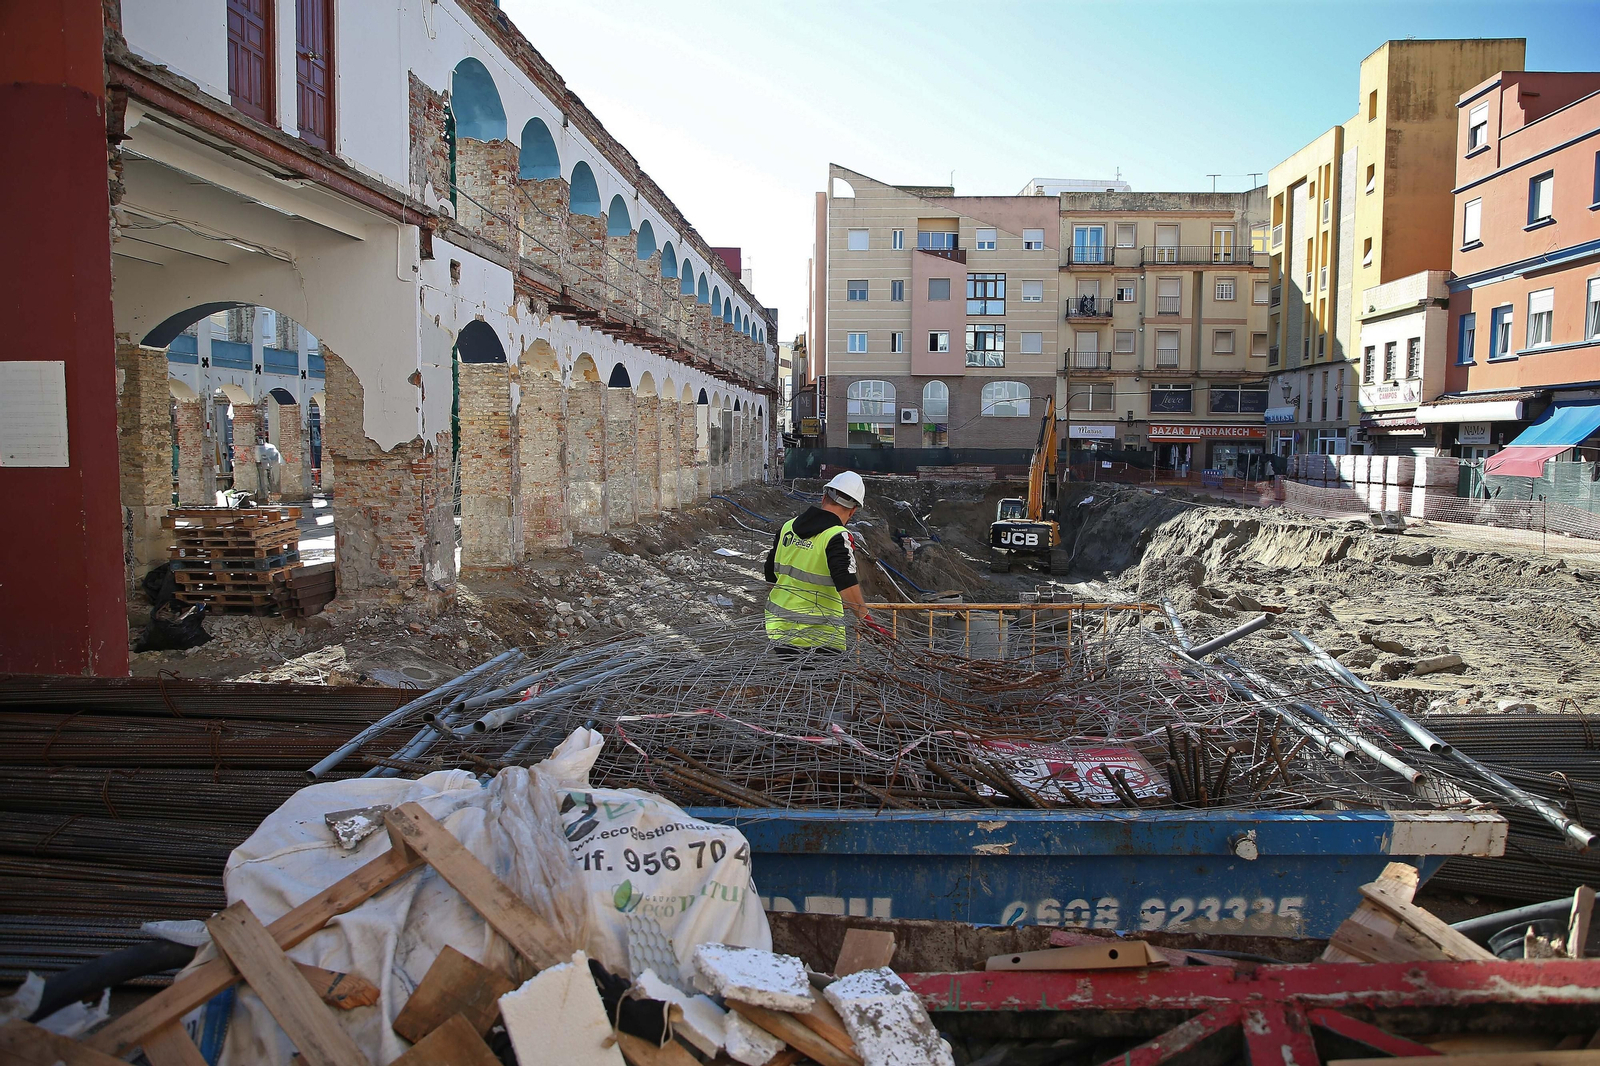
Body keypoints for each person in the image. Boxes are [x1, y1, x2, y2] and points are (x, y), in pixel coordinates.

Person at [763, 471, 878, 653]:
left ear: (824, 497)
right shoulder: (837, 537)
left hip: (780, 632)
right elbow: (845, 581)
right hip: (821, 639)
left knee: (793, 681)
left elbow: (770, 575)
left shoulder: (787, 527)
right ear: (853, 510)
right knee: (820, 683)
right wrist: (866, 620)